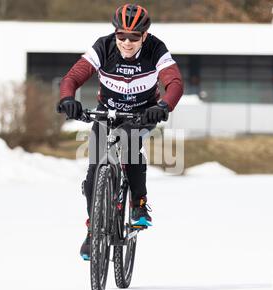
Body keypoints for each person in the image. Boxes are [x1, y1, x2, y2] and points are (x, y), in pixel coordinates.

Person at [56, 4, 183, 260]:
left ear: (144, 36)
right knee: (94, 170)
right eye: (121, 36)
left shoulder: (157, 49)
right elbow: (72, 78)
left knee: (129, 143)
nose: (127, 42)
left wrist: (163, 106)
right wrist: (68, 98)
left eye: (134, 37)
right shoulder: (103, 47)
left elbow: (175, 83)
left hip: (143, 113)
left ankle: (138, 205)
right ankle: (94, 229)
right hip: (108, 111)